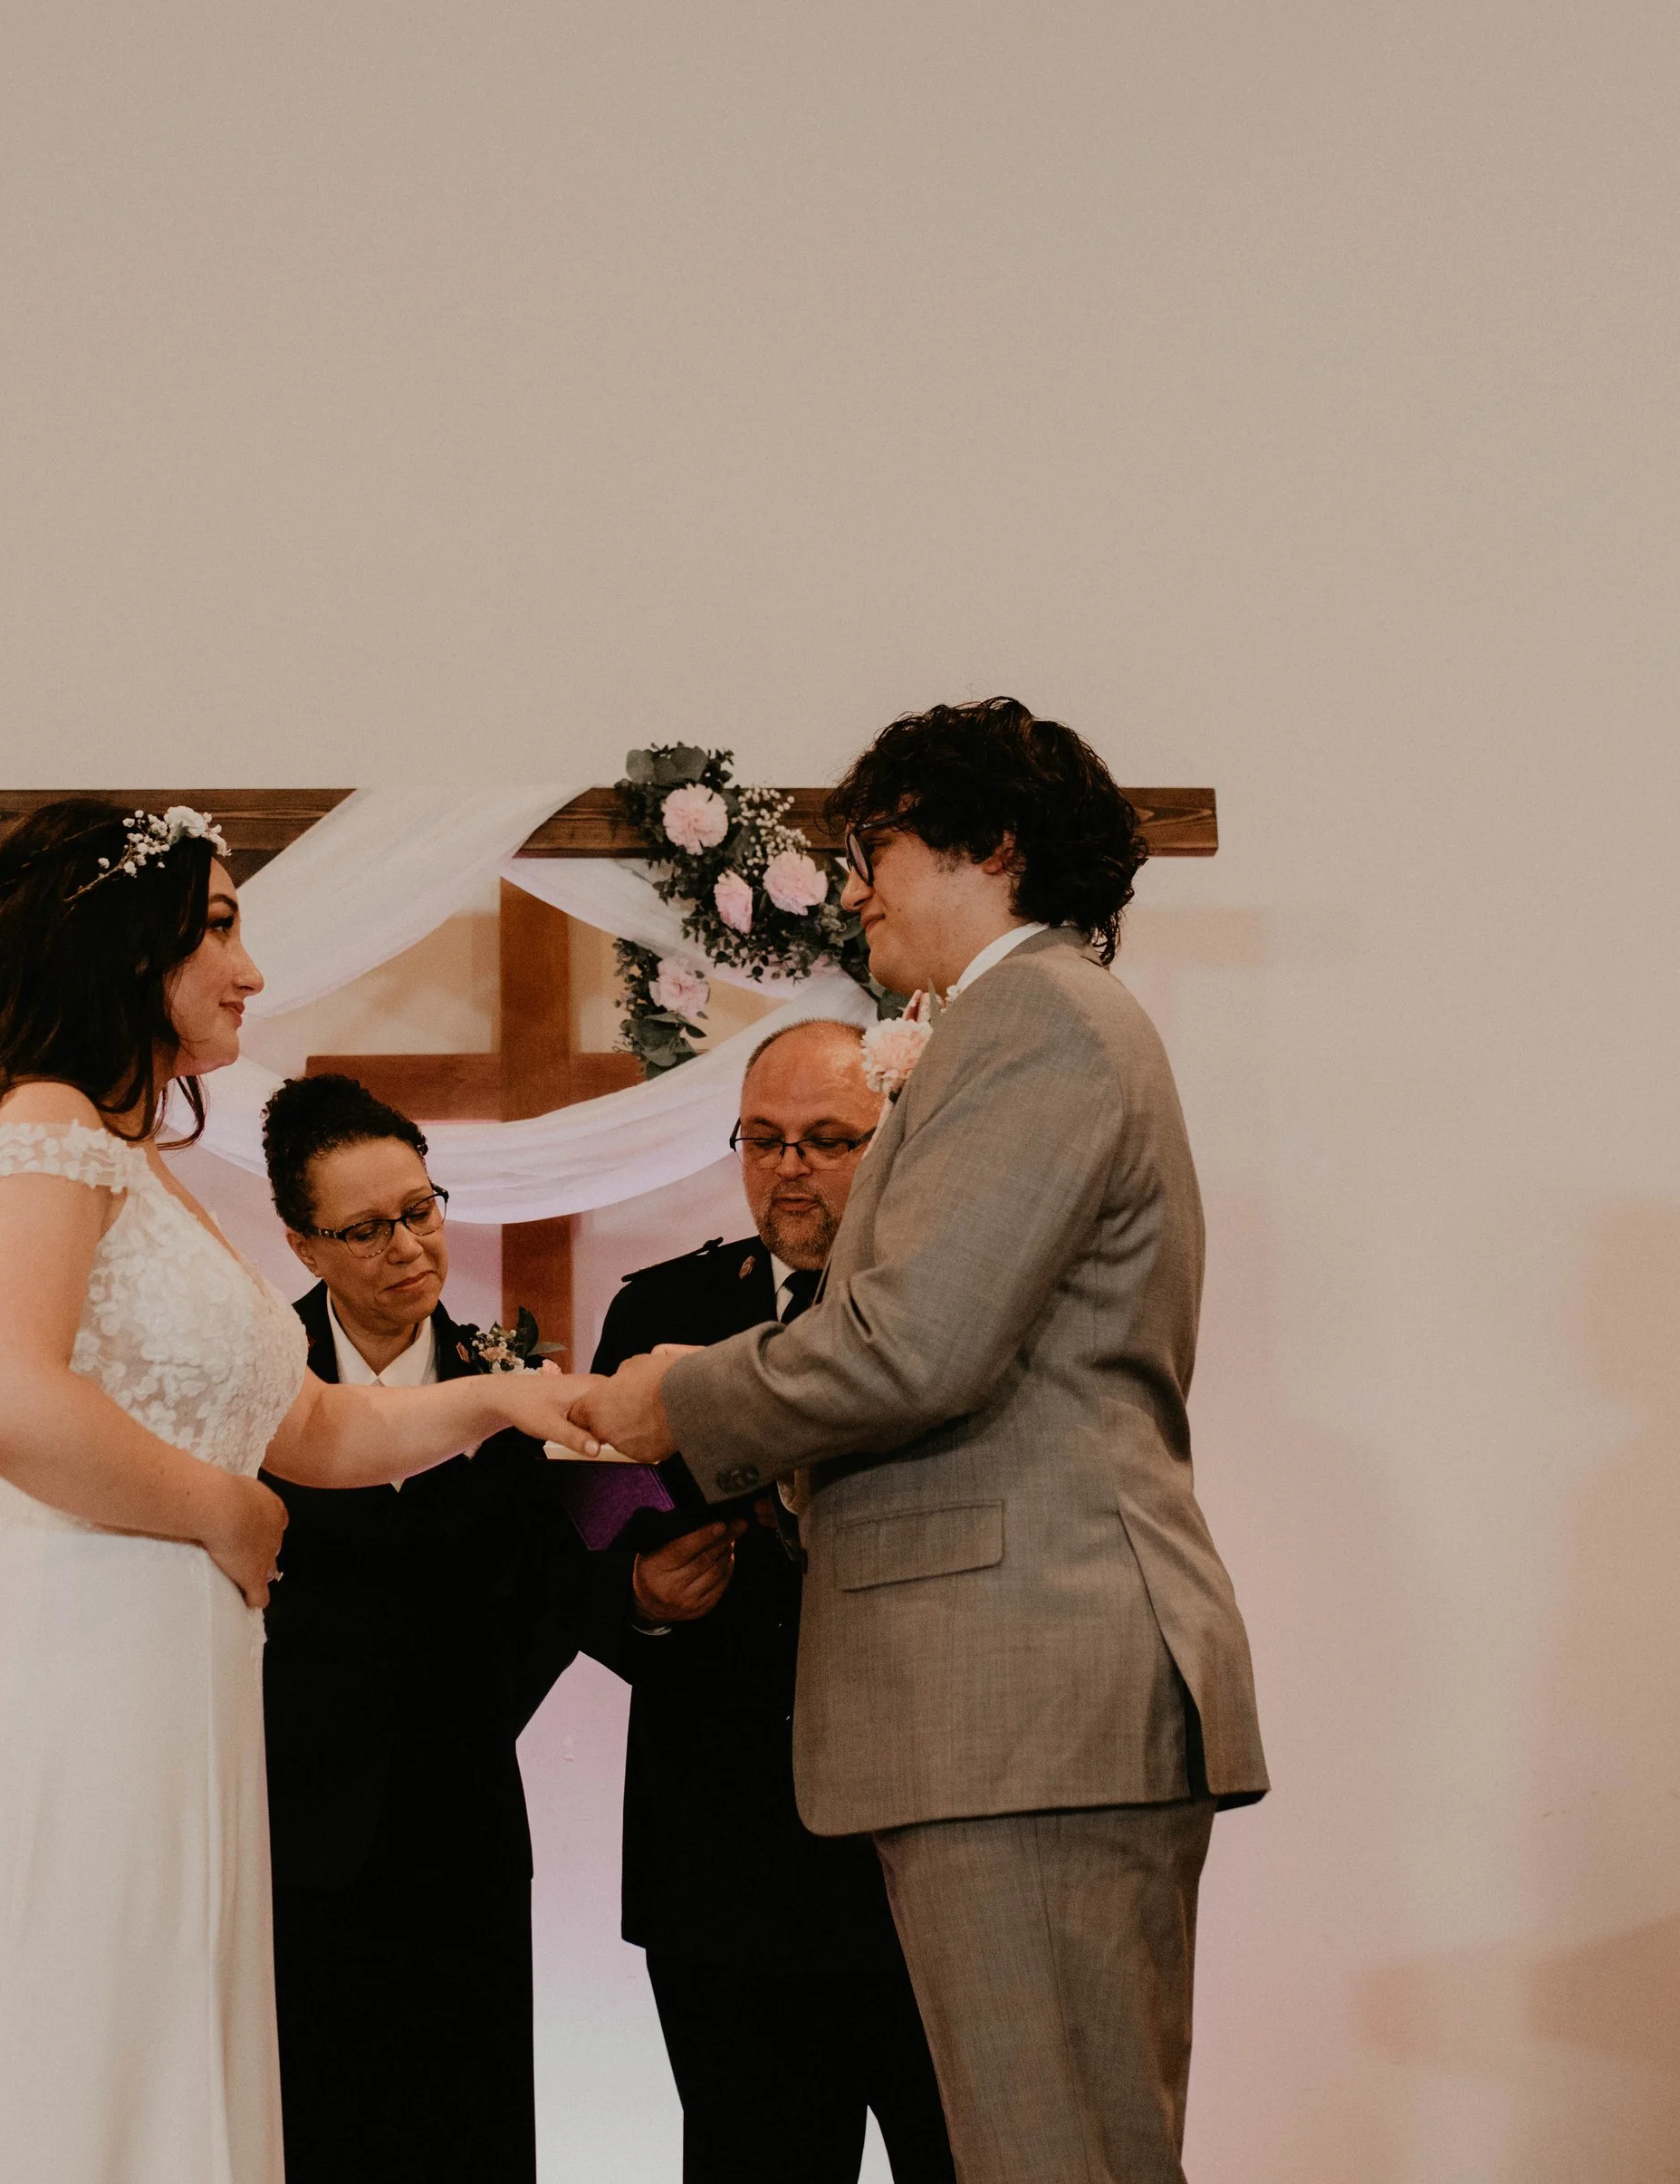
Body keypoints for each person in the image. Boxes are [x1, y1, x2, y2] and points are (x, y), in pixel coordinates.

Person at [571, 699, 1268, 2184]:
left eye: (872, 840)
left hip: (1026, 1696)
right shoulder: (1008, 1025)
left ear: (993, 845)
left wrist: (673, 1400)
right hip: (998, 1706)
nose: (855, 879)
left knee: (1058, 2151)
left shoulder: (1041, 1021)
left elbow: (918, 1346)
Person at [0, 800, 591, 2184]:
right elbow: (4, 1394)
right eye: (218, 925)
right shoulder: (41, 1131)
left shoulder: (134, 1159)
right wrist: (220, 1506)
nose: (251, 967)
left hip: (161, 1672)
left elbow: (308, 1420)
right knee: (65, 2048)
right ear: (121, 950)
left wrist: (505, 1394)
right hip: (66, 1668)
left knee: (156, 2052)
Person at [585, 1018, 955, 2184]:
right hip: (727, 1865)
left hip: (918, 1860)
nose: (788, 1167)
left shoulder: (948, 1317)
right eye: (762, 1139)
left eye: (827, 1139)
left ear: (892, 1140)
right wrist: (641, 1595)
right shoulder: (659, 1311)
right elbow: (587, 1545)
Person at [256, 1073, 588, 2184]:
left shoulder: (507, 1373)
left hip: (465, 1823)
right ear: (304, 1245)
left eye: (421, 1208)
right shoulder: (254, 1382)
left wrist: (463, 1717)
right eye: (364, 1228)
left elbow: (547, 1591)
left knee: (472, 2124)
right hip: (295, 1825)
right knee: (314, 2124)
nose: (407, 1245)